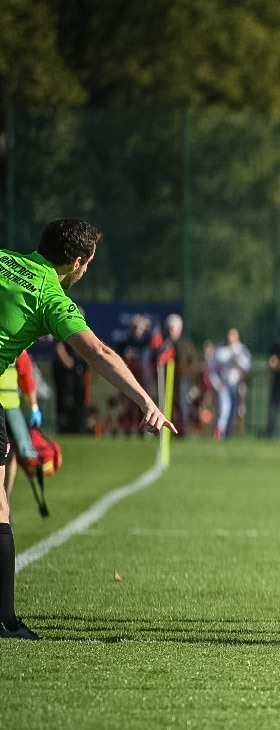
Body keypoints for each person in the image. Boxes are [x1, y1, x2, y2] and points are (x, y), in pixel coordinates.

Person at [0, 218, 176, 639]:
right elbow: (97, 353)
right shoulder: (50, 294)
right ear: (77, 262)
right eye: (88, 265)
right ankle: (4, 620)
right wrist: (147, 401)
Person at [0, 352, 41, 501]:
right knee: (10, 456)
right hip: (10, 410)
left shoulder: (17, 347)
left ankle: (5, 500)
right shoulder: (16, 343)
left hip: (10, 409)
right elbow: (26, 378)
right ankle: (5, 501)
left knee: (10, 455)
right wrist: (34, 408)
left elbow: (26, 377)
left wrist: (34, 408)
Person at [157, 314, 202, 436]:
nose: (171, 331)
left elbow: (193, 362)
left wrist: (184, 370)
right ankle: (166, 430)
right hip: (166, 380)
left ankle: (183, 430)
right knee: (167, 405)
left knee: (182, 404)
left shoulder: (186, 344)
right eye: (169, 328)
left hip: (182, 379)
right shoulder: (164, 343)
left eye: (173, 328)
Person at [207, 327, 251, 440]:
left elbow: (247, 366)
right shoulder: (220, 349)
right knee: (224, 409)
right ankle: (219, 432)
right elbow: (211, 368)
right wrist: (217, 384)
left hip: (236, 384)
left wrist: (238, 359)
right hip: (223, 385)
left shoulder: (241, 349)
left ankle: (228, 434)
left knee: (235, 410)